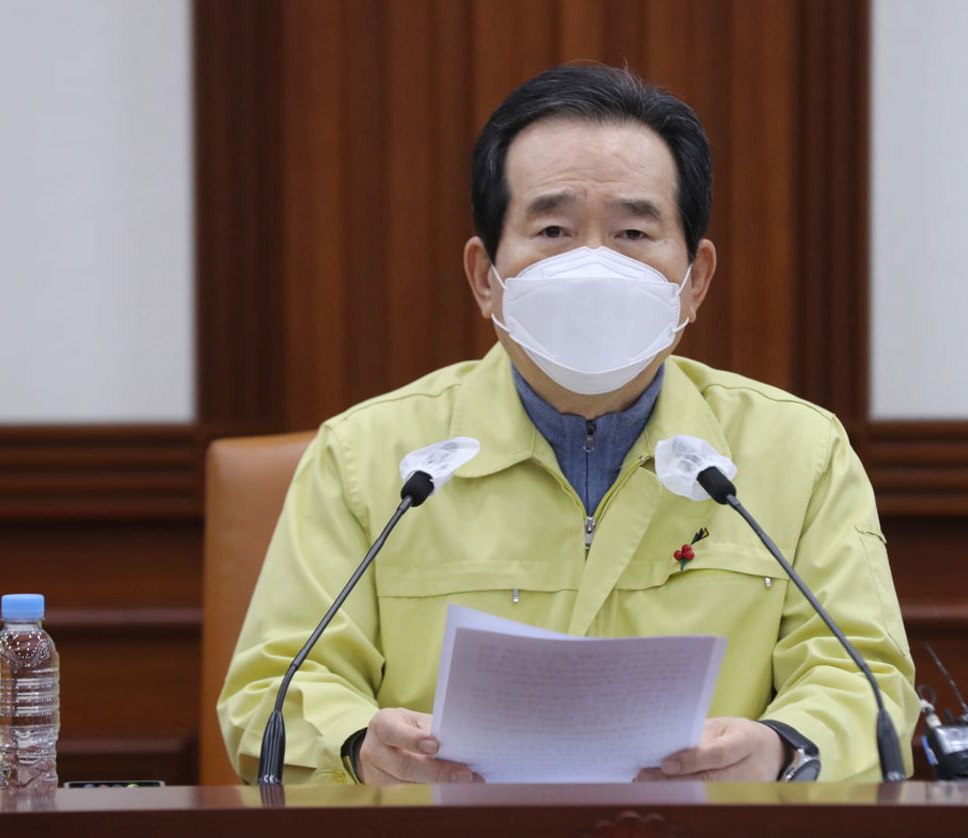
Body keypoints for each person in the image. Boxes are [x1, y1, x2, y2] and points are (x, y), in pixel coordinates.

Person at [218, 64, 916, 785]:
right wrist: (358, 746)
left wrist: (781, 749)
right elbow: (273, 689)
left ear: (694, 281)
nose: (593, 264)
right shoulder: (369, 459)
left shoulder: (799, 453)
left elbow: (867, 681)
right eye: (552, 228)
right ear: (486, 276)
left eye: (633, 231)